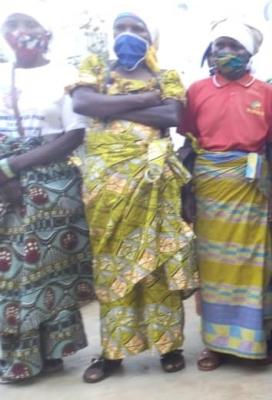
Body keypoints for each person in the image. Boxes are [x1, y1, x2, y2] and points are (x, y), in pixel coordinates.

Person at [71, 11, 198, 383]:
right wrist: (147, 102)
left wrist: (111, 104)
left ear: (151, 37)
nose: (127, 35)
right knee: (112, 267)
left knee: (158, 262)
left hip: (153, 183)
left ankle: (169, 346)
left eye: (137, 29)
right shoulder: (96, 67)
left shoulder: (167, 76)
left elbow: (173, 114)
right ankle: (112, 353)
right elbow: (83, 105)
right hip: (106, 189)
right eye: (120, 29)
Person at [179, 18, 272, 371]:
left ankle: (258, 338)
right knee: (214, 267)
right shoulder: (196, 90)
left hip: (253, 187)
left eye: (236, 47)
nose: (228, 53)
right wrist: (187, 195)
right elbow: (189, 146)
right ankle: (216, 344)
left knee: (255, 264)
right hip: (210, 186)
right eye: (221, 46)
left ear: (249, 53)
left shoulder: (266, 92)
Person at [0, 9, 93, 384]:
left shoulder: (64, 76)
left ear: (45, 34)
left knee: (41, 276)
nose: (20, 36)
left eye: (29, 29)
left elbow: (73, 135)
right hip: (3, 179)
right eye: (11, 30)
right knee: (11, 274)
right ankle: (21, 355)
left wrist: (11, 168)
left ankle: (47, 354)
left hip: (51, 186)